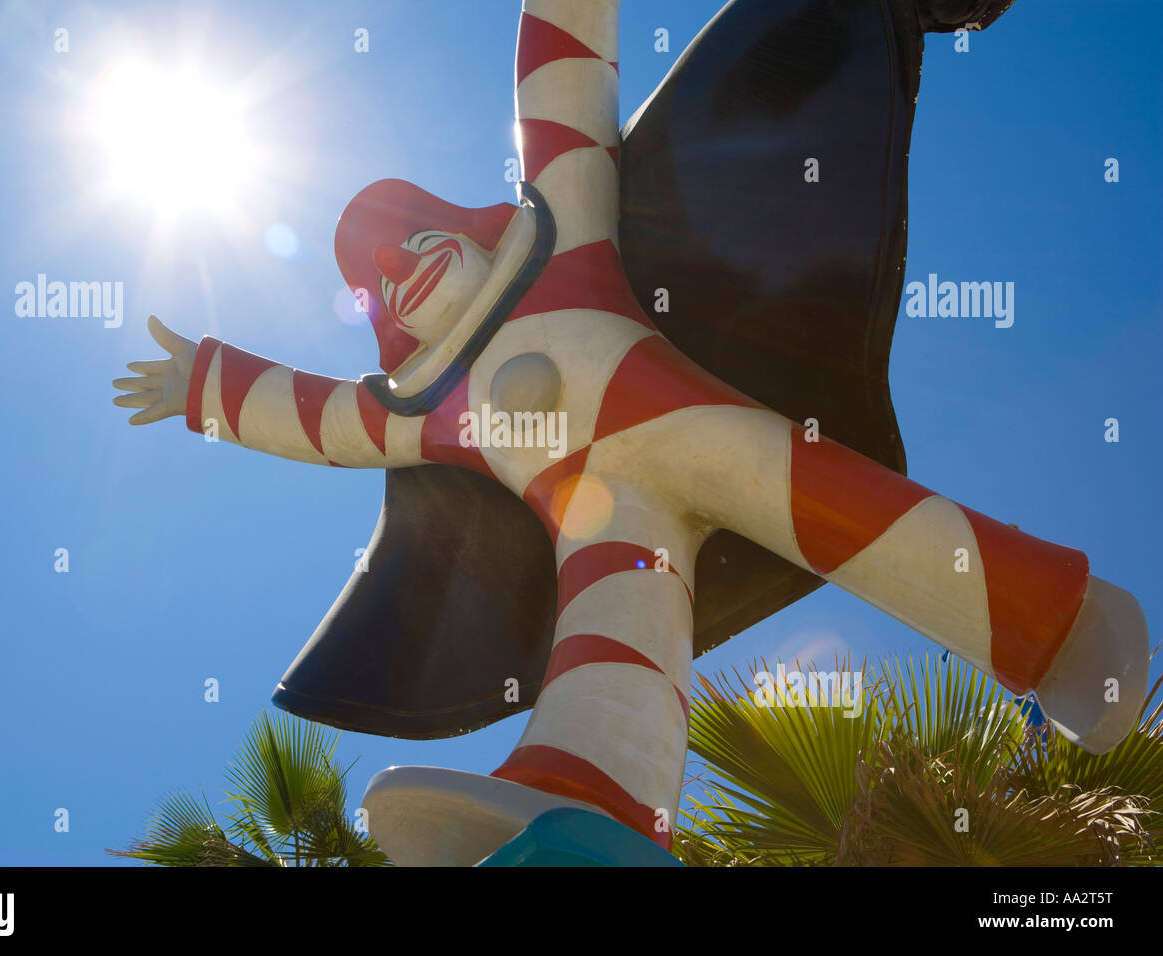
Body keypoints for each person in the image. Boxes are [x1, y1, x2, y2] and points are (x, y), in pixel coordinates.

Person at [114, 0, 1146, 865]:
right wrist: (204, 379)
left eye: (407, 234)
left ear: (449, 219)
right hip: (601, 519)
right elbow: (319, 419)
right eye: (375, 276)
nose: (401, 268)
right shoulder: (425, 406)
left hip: (695, 420)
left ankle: (1055, 619)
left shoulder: (562, 225)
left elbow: (558, 74)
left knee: (850, 510)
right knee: (614, 636)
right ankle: (588, 790)